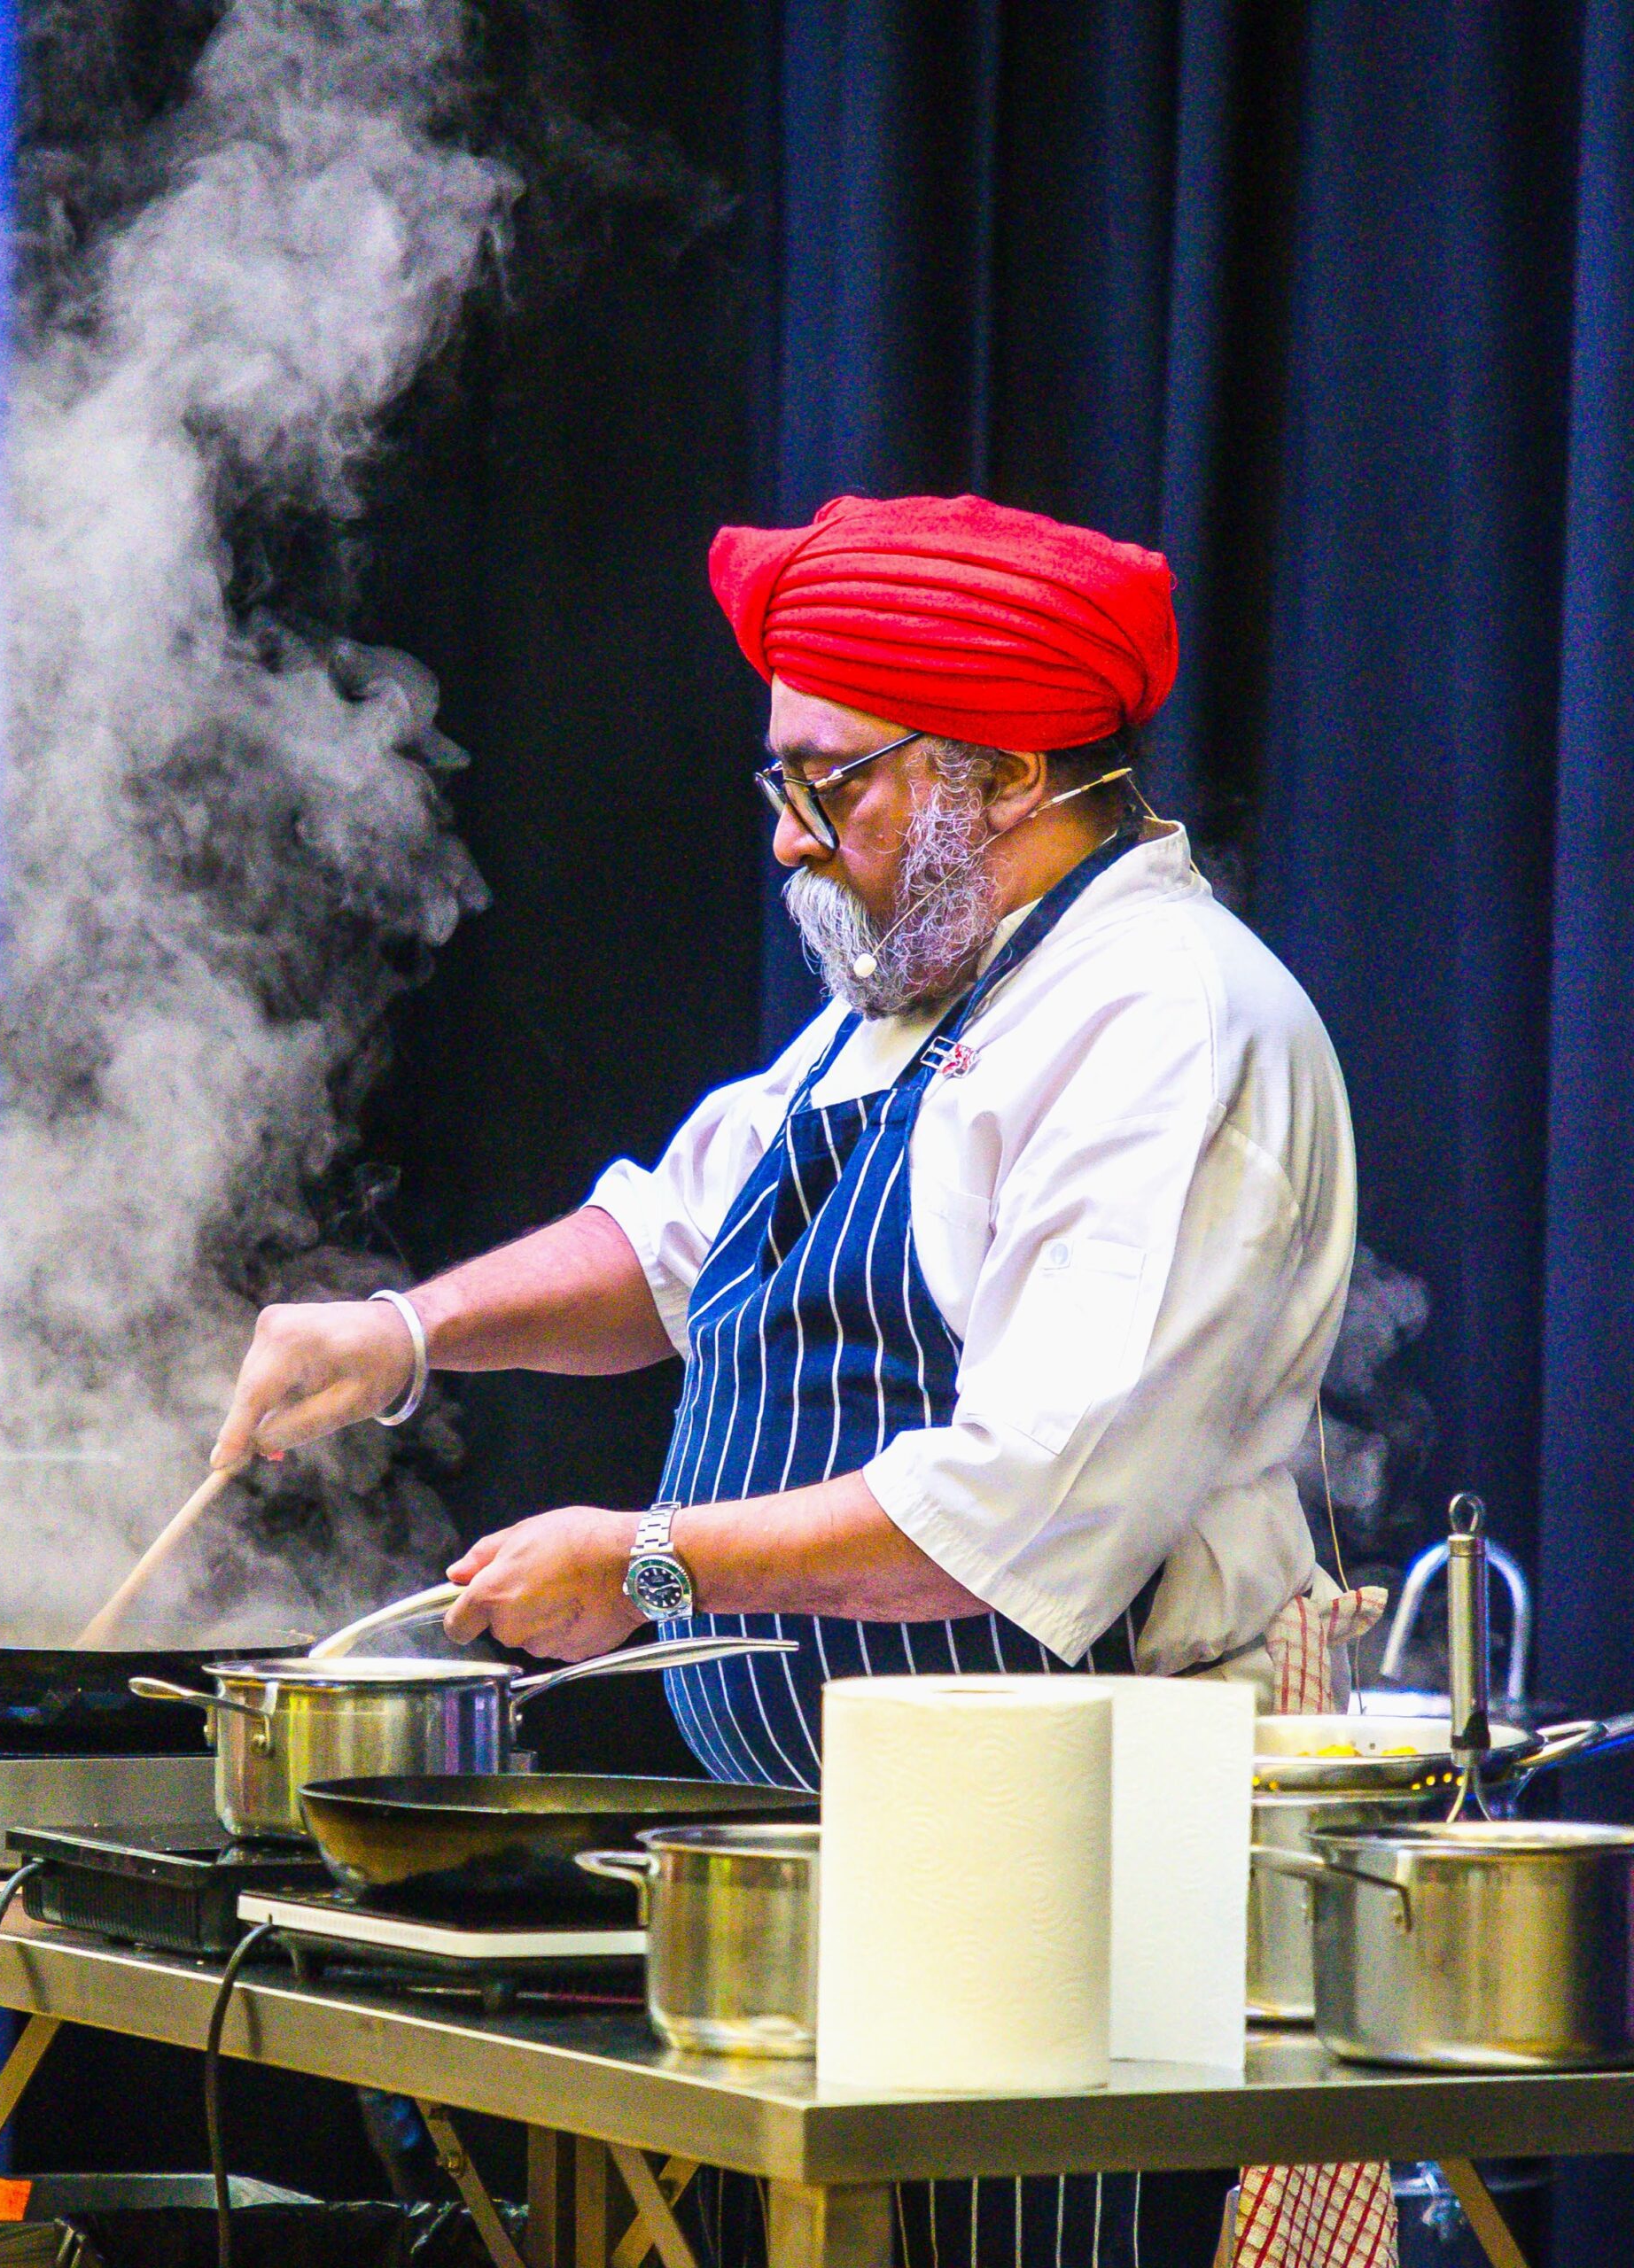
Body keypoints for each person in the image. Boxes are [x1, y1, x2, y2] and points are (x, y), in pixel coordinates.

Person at [213, 493, 1359, 2268]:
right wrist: (404, 1329)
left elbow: (1020, 1504)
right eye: (781, 788)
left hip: (1065, 1890)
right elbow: (679, 1241)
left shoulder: (1161, 1022)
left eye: (828, 785)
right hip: (832, 1870)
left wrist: (649, 1559)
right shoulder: (907, 994)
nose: (786, 842)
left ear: (993, 771)